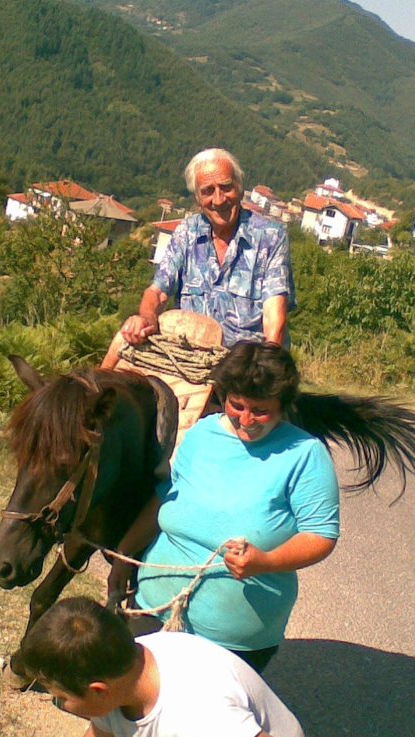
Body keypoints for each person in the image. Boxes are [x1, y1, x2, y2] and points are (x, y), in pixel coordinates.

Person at [108, 341, 339, 674]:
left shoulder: (305, 455)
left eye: (261, 411)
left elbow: (321, 535)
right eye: (237, 405)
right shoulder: (203, 433)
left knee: (199, 723)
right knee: (140, 711)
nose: (246, 420)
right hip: (153, 605)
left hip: (233, 636)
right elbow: (166, 497)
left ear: (284, 406)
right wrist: (123, 556)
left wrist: (265, 562)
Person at [16, 596, 311, 737]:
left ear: (97, 691)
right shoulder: (120, 664)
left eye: (61, 697)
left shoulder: (199, 724)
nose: (61, 705)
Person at [120, 148, 295, 350]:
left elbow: (274, 312)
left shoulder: (270, 236)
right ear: (197, 199)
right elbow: (158, 292)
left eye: (226, 188)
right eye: (208, 191)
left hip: (243, 359)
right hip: (188, 350)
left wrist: (269, 360)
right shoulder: (186, 232)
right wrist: (146, 318)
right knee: (122, 342)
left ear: (239, 189)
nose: (219, 199)